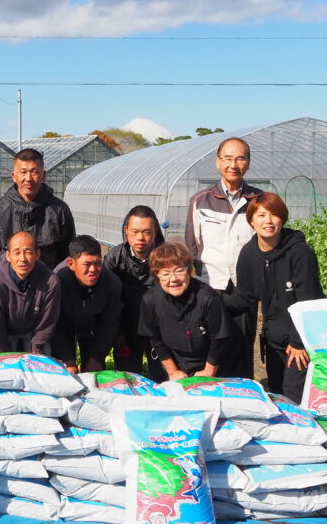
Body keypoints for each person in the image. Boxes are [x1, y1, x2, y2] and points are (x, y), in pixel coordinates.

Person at [222, 192, 325, 400]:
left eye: (274, 214)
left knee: (295, 396)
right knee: (277, 393)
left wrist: (299, 343)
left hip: (300, 340)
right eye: (261, 215)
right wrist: (208, 298)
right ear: (251, 221)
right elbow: (244, 299)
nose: (268, 221)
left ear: (282, 219)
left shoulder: (300, 253)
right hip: (274, 340)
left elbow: (308, 301)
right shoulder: (249, 253)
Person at [185, 136, 264, 378]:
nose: (233, 164)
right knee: (211, 344)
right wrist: (201, 280)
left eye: (240, 158)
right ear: (218, 162)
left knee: (242, 344)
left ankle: (242, 390)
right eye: (227, 158)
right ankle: (212, 391)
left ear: (248, 163)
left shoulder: (258, 200)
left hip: (245, 287)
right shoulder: (201, 200)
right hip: (211, 285)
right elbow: (193, 244)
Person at [138, 242, 235, 382]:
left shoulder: (208, 298)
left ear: (188, 270)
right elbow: (155, 338)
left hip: (211, 362)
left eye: (179, 270)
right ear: (157, 276)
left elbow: (219, 339)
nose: (173, 279)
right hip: (173, 360)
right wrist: (173, 371)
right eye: (166, 273)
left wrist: (208, 372)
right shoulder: (150, 300)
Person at [0, 148, 76, 269]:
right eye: (23, 172)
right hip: (8, 279)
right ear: (14, 176)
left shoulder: (59, 209)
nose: (28, 178)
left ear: (44, 175)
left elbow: (67, 252)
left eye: (34, 172)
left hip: (48, 278)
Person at [103, 205, 166, 379]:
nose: (140, 238)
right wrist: (116, 332)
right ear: (126, 230)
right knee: (129, 379)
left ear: (155, 231)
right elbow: (109, 301)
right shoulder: (115, 258)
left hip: (159, 329)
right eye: (135, 231)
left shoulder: (166, 257)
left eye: (147, 232)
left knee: (162, 379)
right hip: (126, 328)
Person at [51, 235, 122, 373]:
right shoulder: (57, 281)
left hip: (93, 325)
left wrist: (96, 358)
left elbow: (108, 326)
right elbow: (55, 324)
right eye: (87, 264)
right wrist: (68, 360)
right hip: (64, 325)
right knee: (65, 371)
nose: (93, 269)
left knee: (93, 370)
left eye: (98, 263)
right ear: (71, 264)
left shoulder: (112, 284)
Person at [0, 231, 61, 354]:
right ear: (8, 256)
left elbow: (47, 322)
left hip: (34, 335)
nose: (22, 259)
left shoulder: (50, 282)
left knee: (44, 356)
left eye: (28, 252)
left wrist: (36, 350)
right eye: (17, 253)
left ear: (37, 254)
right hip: (6, 336)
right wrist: (3, 354)